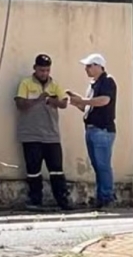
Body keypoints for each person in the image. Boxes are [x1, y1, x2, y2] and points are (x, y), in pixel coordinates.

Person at [14, 54, 71, 210]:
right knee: (33, 170)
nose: (44, 73)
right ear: (35, 68)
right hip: (31, 134)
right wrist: (39, 99)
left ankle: (63, 200)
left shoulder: (55, 85)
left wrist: (51, 100)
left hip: (51, 135)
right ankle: (35, 200)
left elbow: (64, 103)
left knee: (57, 170)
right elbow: (20, 104)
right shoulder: (25, 83)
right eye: (41, 70)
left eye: (47, 70)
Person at [67, 53, 117, 209]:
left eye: (89, 66)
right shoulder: (92, 85)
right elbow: (88, 107)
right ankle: (102, 197)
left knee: (103, 165)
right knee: (97, 165)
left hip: (102, 130)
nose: (86, 69)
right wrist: (75, 102)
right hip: (90, 128)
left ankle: (107, 197)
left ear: (98, 66)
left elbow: (104, 100)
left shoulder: (107, 81)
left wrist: (83, 100)